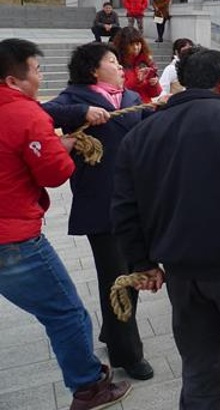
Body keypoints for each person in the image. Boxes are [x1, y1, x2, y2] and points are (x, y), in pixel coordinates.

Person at [111, 48, 220, 409]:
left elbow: (124, 209)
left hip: (179, 273)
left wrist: (142, 262)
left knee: (199, 366)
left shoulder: (140, 134)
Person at [0, 38, 132, 409]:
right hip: (15, 239)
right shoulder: (29, 114)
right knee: (68, 312)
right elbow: (55, 173)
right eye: (37, 69)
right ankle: (89, 386)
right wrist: (67, 145)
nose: (42, 76)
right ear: (14, 80)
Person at [43, 43, 154, 381]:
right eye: (112, 61)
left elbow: (154, 119)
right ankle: (126, 354)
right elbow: (42, 115)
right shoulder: (72, 98)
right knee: (118, 278)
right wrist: (81, 114)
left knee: (135, 273)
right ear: (93, 69)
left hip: (138, 203)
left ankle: (111, 333)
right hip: (103, 206)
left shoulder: (131, 99)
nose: (121, 67)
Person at [112, 27, 162, 103]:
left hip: (147, 107)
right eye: (131, 44)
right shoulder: (116, 65)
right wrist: (137, 81)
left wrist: (154, 83)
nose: (136, 47)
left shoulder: (147, 62)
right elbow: (117, 92)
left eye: (138, 44)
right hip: (127, 108)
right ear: (123, 46)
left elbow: (156, 93)